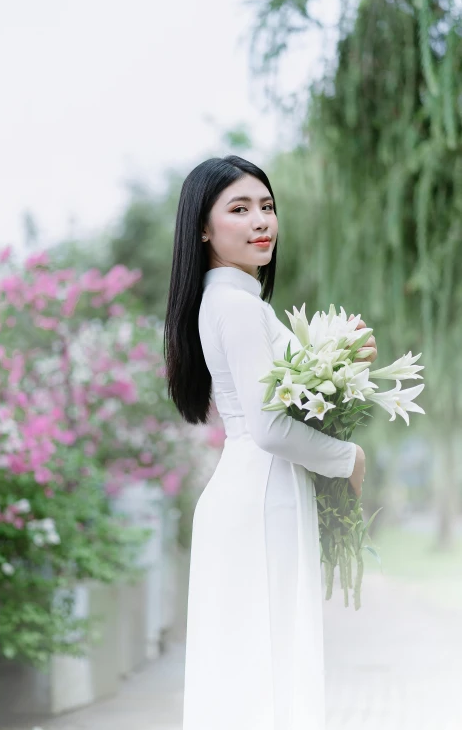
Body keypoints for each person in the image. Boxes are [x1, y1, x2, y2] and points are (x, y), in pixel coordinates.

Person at [164, 155, 368, 730]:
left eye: (268, 206)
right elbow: (270, 427)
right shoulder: (234, 306)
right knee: (265, 666)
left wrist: (340, 357)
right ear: (203, 227)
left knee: (248, 668)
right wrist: (346, 457)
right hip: (261, 497)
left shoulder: (234, 301)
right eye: (239, 208)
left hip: (252, 492)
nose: (262, 222)